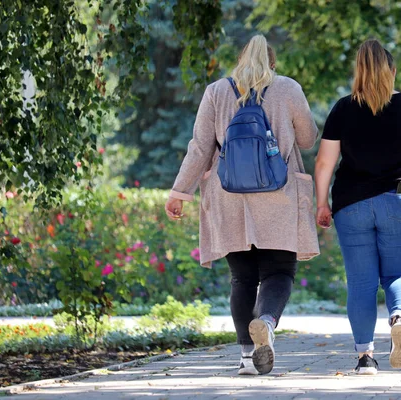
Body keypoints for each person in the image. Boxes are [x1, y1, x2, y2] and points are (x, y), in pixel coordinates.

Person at [165, 35, 319, 376]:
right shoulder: (288, 88)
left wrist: (180, 192)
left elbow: (200, 146)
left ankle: (248, 357)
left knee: (242, 279)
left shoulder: (216, 92)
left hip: (228, 197)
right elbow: (308, 140)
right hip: (278, 196)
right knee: (279, 271)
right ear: (272, 64)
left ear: (238, 63)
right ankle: (265, 321)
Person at [315, 39, 401, 375]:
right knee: (400, 274)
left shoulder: (343, 109)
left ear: (359, 71)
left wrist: (321, 203)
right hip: (400, 200)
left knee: (360, 283)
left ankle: (365, 358)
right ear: (392, 72)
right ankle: (399, 317)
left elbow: (325, 162)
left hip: (351, 203)